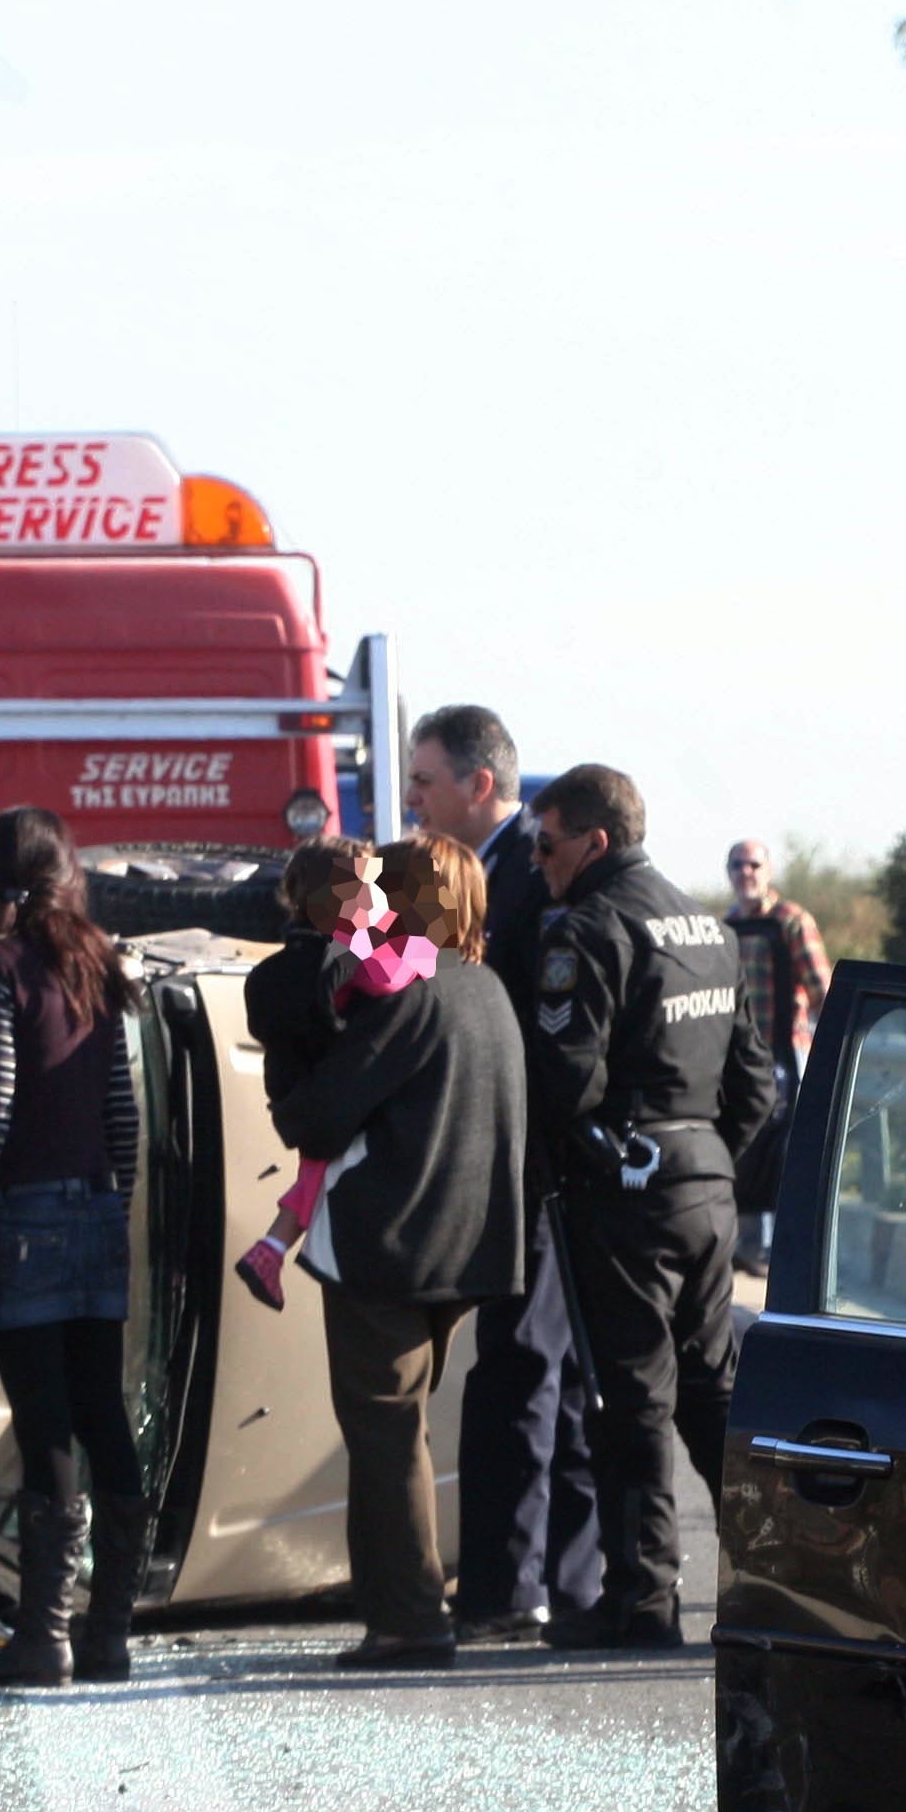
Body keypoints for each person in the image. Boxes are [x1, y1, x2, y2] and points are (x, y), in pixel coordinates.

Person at [524, 763, 772, 1651]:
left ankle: (642, 1600)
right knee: (712, 1394)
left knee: (629, 1401)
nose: (536, 860)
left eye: (545, 843)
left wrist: (612, 1161)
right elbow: (753, 1081)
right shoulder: (707, 927)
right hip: (704, 1184)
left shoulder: (587, 931)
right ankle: (772, 1575)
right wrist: (701, 1161)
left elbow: (562, 1083)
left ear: (594, 841)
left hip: (624, 1192)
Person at [273, 833, 526, 1671]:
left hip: (387, 1245)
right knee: (405, 1431)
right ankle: (406, 1607)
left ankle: (409, 1617)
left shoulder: (410, 993)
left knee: (384, 1433)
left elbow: (317, 1117)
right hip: (467, 1248)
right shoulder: (488, 989)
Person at [0, 806, 149, 1688]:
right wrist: (112, 1204)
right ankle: (109, 1635)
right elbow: (122, 1111)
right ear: (67, 874)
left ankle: (42, 1636)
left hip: (25, 1221)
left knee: (44, 1422)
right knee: (103, 1413)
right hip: (96, 1211)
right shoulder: (100, 961)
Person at [409, 703, 602, 1646]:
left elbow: (504, 1008)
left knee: (523, 1374)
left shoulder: (527, 873)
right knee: (549, 1380)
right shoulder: (503, 869)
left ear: (478, 784)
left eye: (425, 781)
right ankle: (568, 1582)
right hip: (538, 1162)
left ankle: (508, 1585)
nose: (412, 799)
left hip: (536, 1164)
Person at [234, 837, 438, 1310]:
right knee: (319, 1175)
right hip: (337, 1104)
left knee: (311, 1175)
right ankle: (272, 1248)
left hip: (296, 1093)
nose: (380, 900)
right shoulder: (346, 950)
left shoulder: (282, 963)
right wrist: (423, 948)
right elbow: (386, 978)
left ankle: (272, 1247)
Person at [722, 838, 830, 1275]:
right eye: (737, 865)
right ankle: (747, 1246)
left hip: (787, 1053)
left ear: (768, 871)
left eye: (753, 864)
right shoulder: (726, 926)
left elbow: (823, 988)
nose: (745, 872)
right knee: (745, 1145)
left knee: (782, 1150)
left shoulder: (790, 921)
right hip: (739, 1059)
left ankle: (772, 1251)